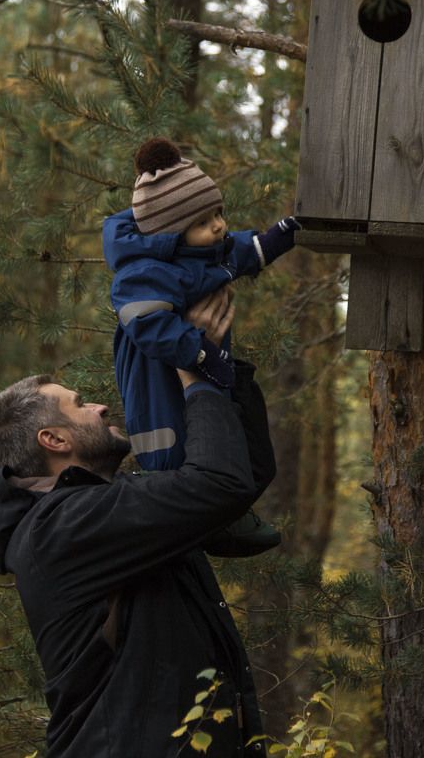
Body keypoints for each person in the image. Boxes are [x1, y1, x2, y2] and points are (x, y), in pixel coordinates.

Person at [0, 289, 273, 758]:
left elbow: (243, 476)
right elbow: (218, 483)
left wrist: (221, 367)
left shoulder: (94, 509)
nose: (101, 407)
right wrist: (195, 372)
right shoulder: (63, 526)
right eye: (80, 404)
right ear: (53, 439)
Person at [103, 138, 298, 554]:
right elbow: (148, 326)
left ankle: (224, 511)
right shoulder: (144, 273)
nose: (218, 226)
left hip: (202, 364)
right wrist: (201, 352)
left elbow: (238, 253)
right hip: (158, 378)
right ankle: (206, 519)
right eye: (203, 221)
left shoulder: (202, 252)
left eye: (219, 213)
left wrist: (276, 239)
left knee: (234, 442)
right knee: (176, 448)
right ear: (171, 233)